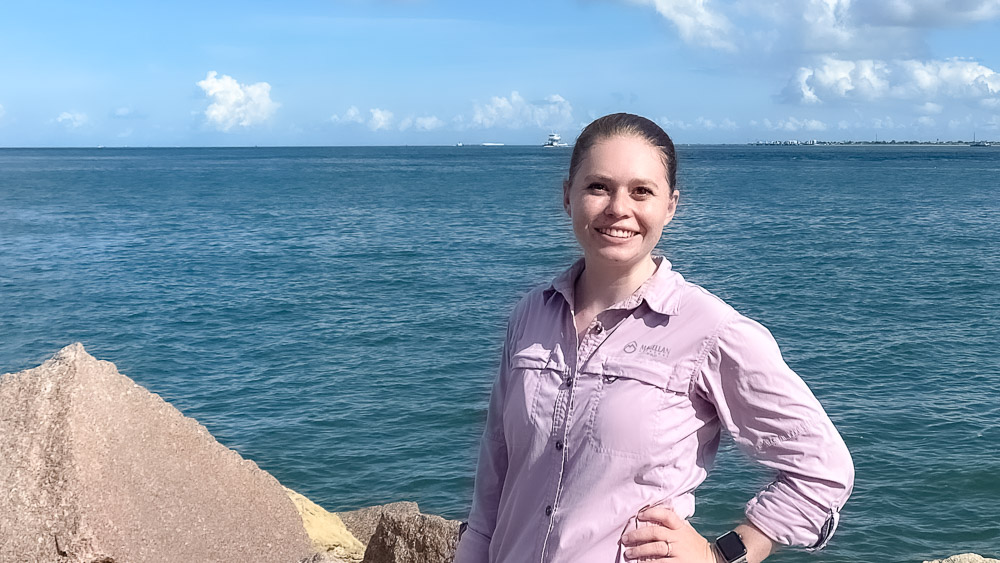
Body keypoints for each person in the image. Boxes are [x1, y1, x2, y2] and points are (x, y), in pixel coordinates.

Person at [453, 113, 854, 563]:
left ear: (671, 205)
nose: (618, 208)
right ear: (568, 197)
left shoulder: (711, 330)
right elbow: (496, 475)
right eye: (598, 187)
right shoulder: (531, 315)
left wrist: (725, 554)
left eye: (641, 191)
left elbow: (822, 469)